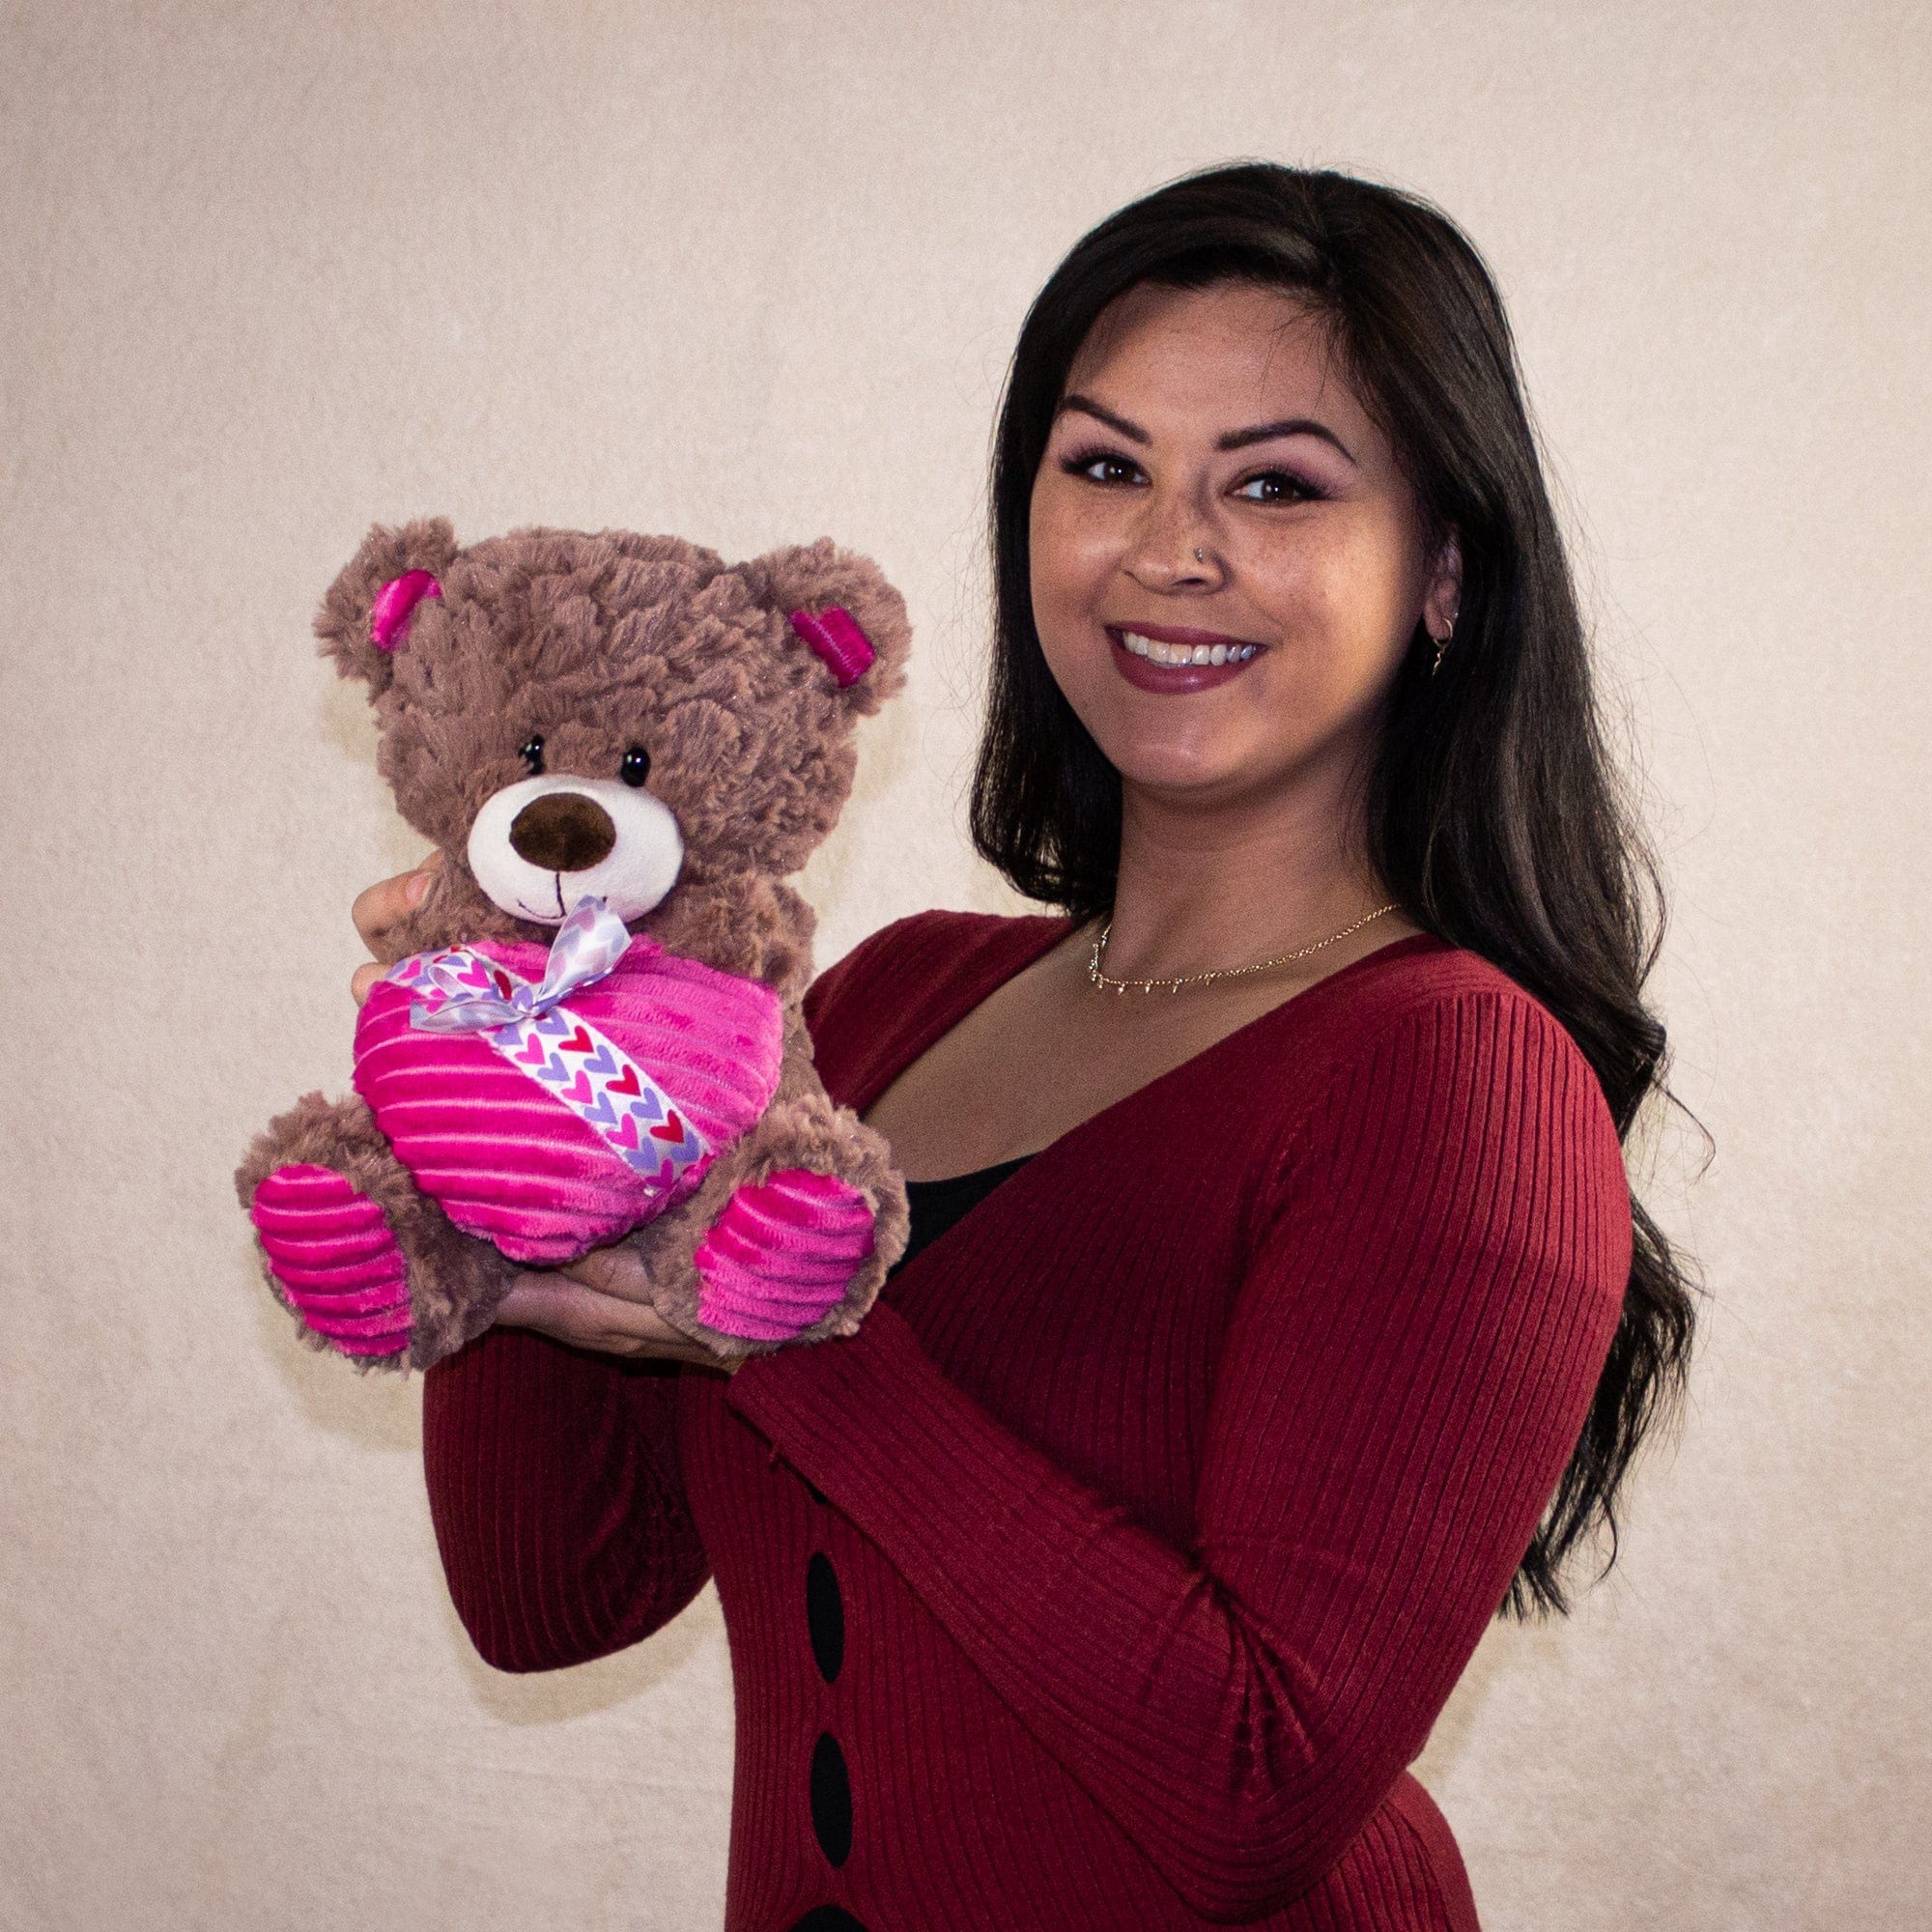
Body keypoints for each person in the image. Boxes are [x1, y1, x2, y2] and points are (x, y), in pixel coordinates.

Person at [351, 164, 1695, 1931]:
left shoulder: (1457, 1077)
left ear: (1443, 570)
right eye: (1106, 467)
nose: (1168, 550)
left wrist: (782, 1329)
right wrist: (505, 1074)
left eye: (1276, 484)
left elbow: (1255, 1790)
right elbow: (556, 1600)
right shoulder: (897, 997)